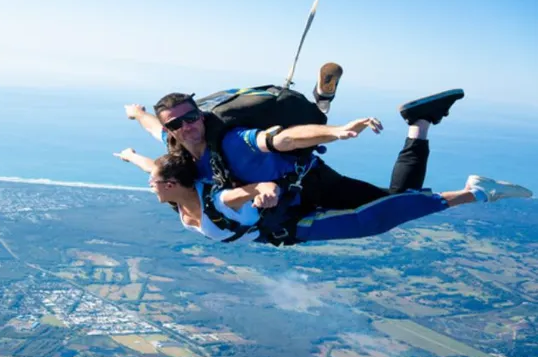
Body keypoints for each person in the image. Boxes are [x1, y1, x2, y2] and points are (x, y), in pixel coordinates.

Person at [119, 87, 468, 244]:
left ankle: (419, 123)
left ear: (201, 115)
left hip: (314, 185)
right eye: (176, 124)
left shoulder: (232, 140)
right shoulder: (176, 147)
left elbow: (282, 139)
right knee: (398, 201)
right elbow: (153, 129)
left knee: (397, 203)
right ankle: (416, 121)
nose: (187, 127)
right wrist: (137, 115)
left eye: (192, 117)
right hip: (291, 198)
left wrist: (335, 132)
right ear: (170, 129)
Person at [147, 151, 532, 245]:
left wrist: (265, 189)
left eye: (154, 182)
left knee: (373, 221)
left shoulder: (217, 201)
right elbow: (155, 163)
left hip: (292, 224)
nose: (150, 185)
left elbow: (248, 191)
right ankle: (421, 125)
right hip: (286, 224)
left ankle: (476, 193)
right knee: (395, 201)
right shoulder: (179, 195)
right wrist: (135, 134)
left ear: (172, 183)